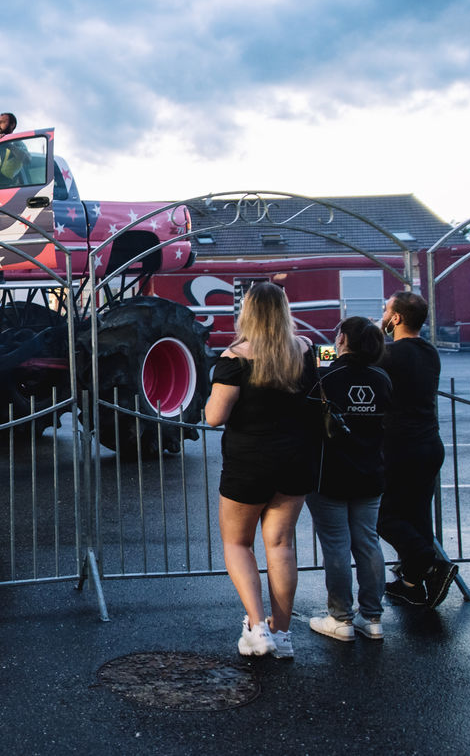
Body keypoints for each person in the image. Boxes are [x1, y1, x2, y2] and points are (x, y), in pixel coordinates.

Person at [204, 282, 319, 660]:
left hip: (249, 463)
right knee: (281, 546)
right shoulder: (304, 350)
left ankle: (256, 629)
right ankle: (282, 634)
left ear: (248, 313)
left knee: (238, 543)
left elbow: (214, 417)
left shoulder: (234, 358)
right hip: (296, 459)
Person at [306, 317, 392, 642]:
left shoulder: (326, 377)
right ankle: (372, 617)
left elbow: (305, 420)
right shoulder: (382, 378)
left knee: (336, 546)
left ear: (341, 339)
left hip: (330, 474)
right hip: (370, 473)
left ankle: (340, 617)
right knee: (368, 542)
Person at [376, 291, 458, 609]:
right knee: (418, 516)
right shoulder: (429, 352)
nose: (384, 314)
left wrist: (377, 330)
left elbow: (358, 359)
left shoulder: (390, 354)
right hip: (429, 444)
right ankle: (412, 584)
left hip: (401, 446)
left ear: (396, 318)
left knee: (383, 516)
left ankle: (428, 562)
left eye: (386, 311)